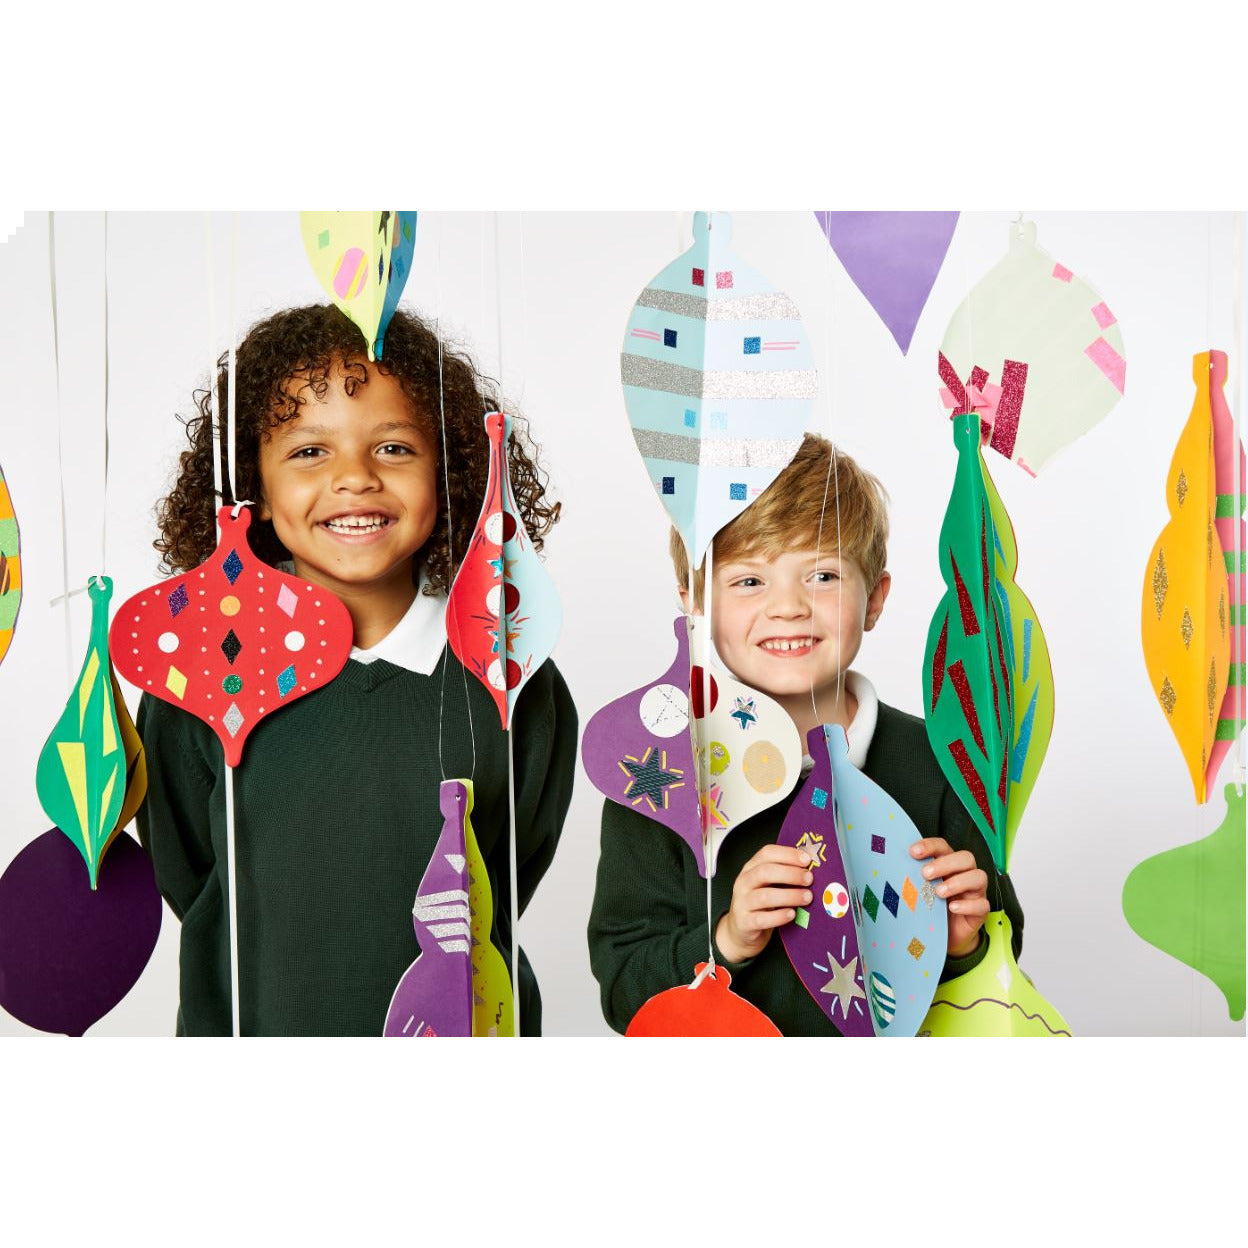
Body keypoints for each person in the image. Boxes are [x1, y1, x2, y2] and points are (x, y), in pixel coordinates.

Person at [137, 304, 577, 1036]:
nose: (354, 479)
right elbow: (189, 875)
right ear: (254, 486)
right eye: (310, 451)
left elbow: (512, 866)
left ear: (449, 469)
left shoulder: (510, 669)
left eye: (394, 448)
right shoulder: (202, 669)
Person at [587, 434, 1024, 1035]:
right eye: (749, 581)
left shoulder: (945, 762)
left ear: (875, 599)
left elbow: (1004, 956)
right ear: (695, 605)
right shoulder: (657, 777)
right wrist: (727, 939)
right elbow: (623, 989)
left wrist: (961, 945)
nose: (788, 607)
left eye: (821, 574)